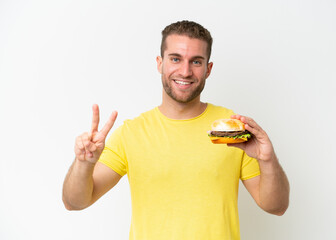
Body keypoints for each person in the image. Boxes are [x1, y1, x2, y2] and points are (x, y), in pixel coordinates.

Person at [62, 20, 290, 240]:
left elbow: (276, 207)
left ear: (208, 69)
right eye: (175, 59)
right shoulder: (132, 133)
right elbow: (74, 202)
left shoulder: (230, 129)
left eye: (196, 61)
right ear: (160, 63)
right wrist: (84, 164)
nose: (185, 71)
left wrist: (267, 160)